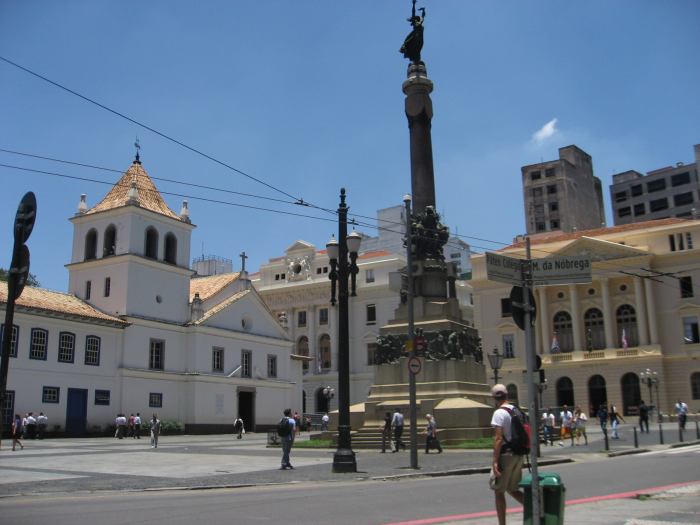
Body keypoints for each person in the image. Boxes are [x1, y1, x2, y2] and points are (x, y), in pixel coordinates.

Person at [489, 384, 525, 525]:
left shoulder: (499, 413)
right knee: (512, 489)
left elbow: (498, 438)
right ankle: (538, 507)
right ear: (507, 395)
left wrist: (495, 459)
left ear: (493, 398)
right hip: (518, 454)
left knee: (499, 491)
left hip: (506, 455)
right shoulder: (517, 410)